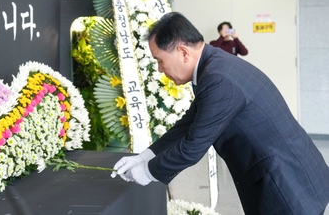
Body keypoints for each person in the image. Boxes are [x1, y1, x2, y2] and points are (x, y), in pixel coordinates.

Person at [111, 12, 329, 215]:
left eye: (159, 60)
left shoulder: (219, 79)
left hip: (286, 185)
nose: (160, 69)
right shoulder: (214, 66)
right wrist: (144, 157)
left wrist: (147, 172)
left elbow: (192, 148)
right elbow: (188, 124)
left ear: (183, 52)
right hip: (290, 172)